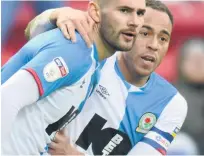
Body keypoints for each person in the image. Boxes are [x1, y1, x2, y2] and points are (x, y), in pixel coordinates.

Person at [2, 0, 187, 155]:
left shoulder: (171, 103)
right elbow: (7, 97)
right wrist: (54, 14)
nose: (153, 45)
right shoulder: (82, 50)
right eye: (145, 33)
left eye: (163, 39)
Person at [174, 38, 204, 154]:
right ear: (181, 63)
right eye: (194, 60)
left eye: (202, 60)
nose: (199, 65)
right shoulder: (171, 95)